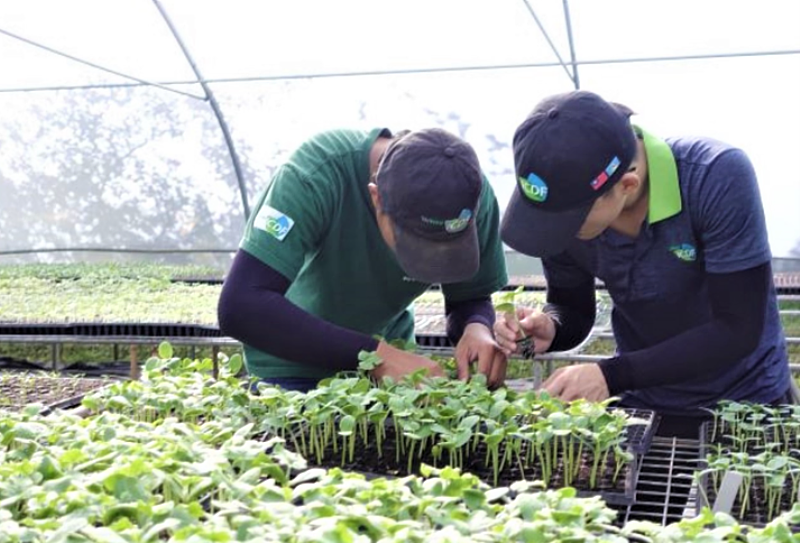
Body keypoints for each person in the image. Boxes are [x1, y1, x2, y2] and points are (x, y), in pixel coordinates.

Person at [493, 90, 791, 437]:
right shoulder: (562, 202)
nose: (555, 232)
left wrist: (612, 375)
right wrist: (551, 327)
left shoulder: (714, 176)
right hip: (644, 402)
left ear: (627, 185)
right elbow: (571, 309)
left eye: (568, 222)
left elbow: (738, 328)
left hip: (747, 403)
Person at [218, 127, 508, 392]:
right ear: (377, 198)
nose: (432, 259)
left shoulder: (468, 198)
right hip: (290, 368)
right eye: (417, 246)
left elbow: (470, 297)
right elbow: (241, 306)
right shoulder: (316, 173)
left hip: (392, 374)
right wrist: (377, 357)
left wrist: (476, 327)